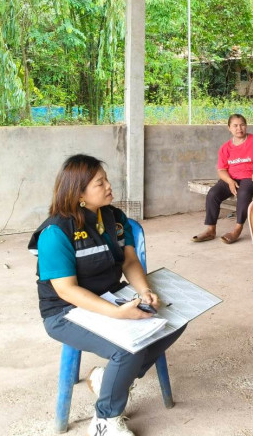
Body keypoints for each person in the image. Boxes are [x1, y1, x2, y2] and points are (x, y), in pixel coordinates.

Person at [28, 155, 185, 436]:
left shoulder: (114, 217)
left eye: (106, 180)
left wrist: (145, 291)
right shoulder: (55, 232)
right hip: (65, 312)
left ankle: (111, 380)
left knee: (176, 317)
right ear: (79, 194)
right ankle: (104, 419)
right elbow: (66, 290)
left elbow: (130, 261)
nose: (109, 186)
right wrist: (117, 313)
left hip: (111, 296)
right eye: (100, 183)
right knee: (127, 348)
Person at [192, 113, 253, 244]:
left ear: (246, 126)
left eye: (242, 125)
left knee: (243, 193)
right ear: (229, 128)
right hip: (232, 178)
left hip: (252, 178)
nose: (239, 128)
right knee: (213, 194)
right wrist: (229, 181)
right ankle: (211, 229)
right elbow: (221, 170)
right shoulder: (225, 148)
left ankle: (237, 229)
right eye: (235, 126)